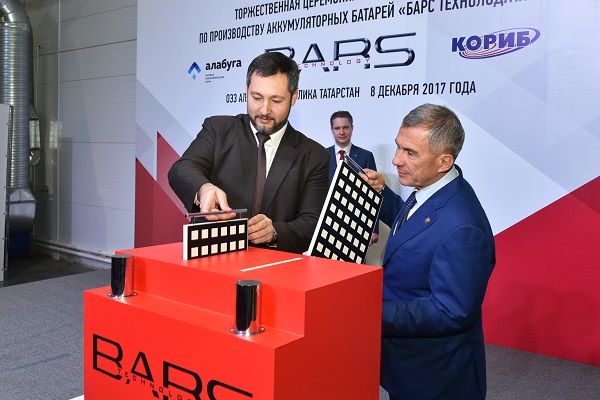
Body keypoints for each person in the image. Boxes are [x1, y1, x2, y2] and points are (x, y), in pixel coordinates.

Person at [362, 104, 496, 400]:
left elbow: (449, 311)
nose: (396, 159)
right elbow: (415, 226)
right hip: (409, 367)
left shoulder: (463, 228)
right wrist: (382, 196)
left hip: (435, 380)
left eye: (410, 153)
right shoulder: (435, 190)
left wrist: (368, 311)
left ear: (444, 161)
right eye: (398, 147)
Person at [168, 52, 330, 254]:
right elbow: (182, 168)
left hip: (276, 268)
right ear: (246, 89)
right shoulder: (218, 129)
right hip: (213, 258)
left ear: (294, 97)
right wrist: (203, 188)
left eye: (276, 100)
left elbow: (313, 223)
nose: (264, 110)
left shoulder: (314, 156)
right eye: (257, 97)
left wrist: (275, 232)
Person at [327, 110, 379, 245]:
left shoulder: (366, 156)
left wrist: (374, 228)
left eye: (345, 127)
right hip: (329, 223)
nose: (341, 132)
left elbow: (373, 194)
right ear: (332, 130)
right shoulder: (322, 156)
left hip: (358, 224)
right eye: (337, 128)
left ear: (352, 128)